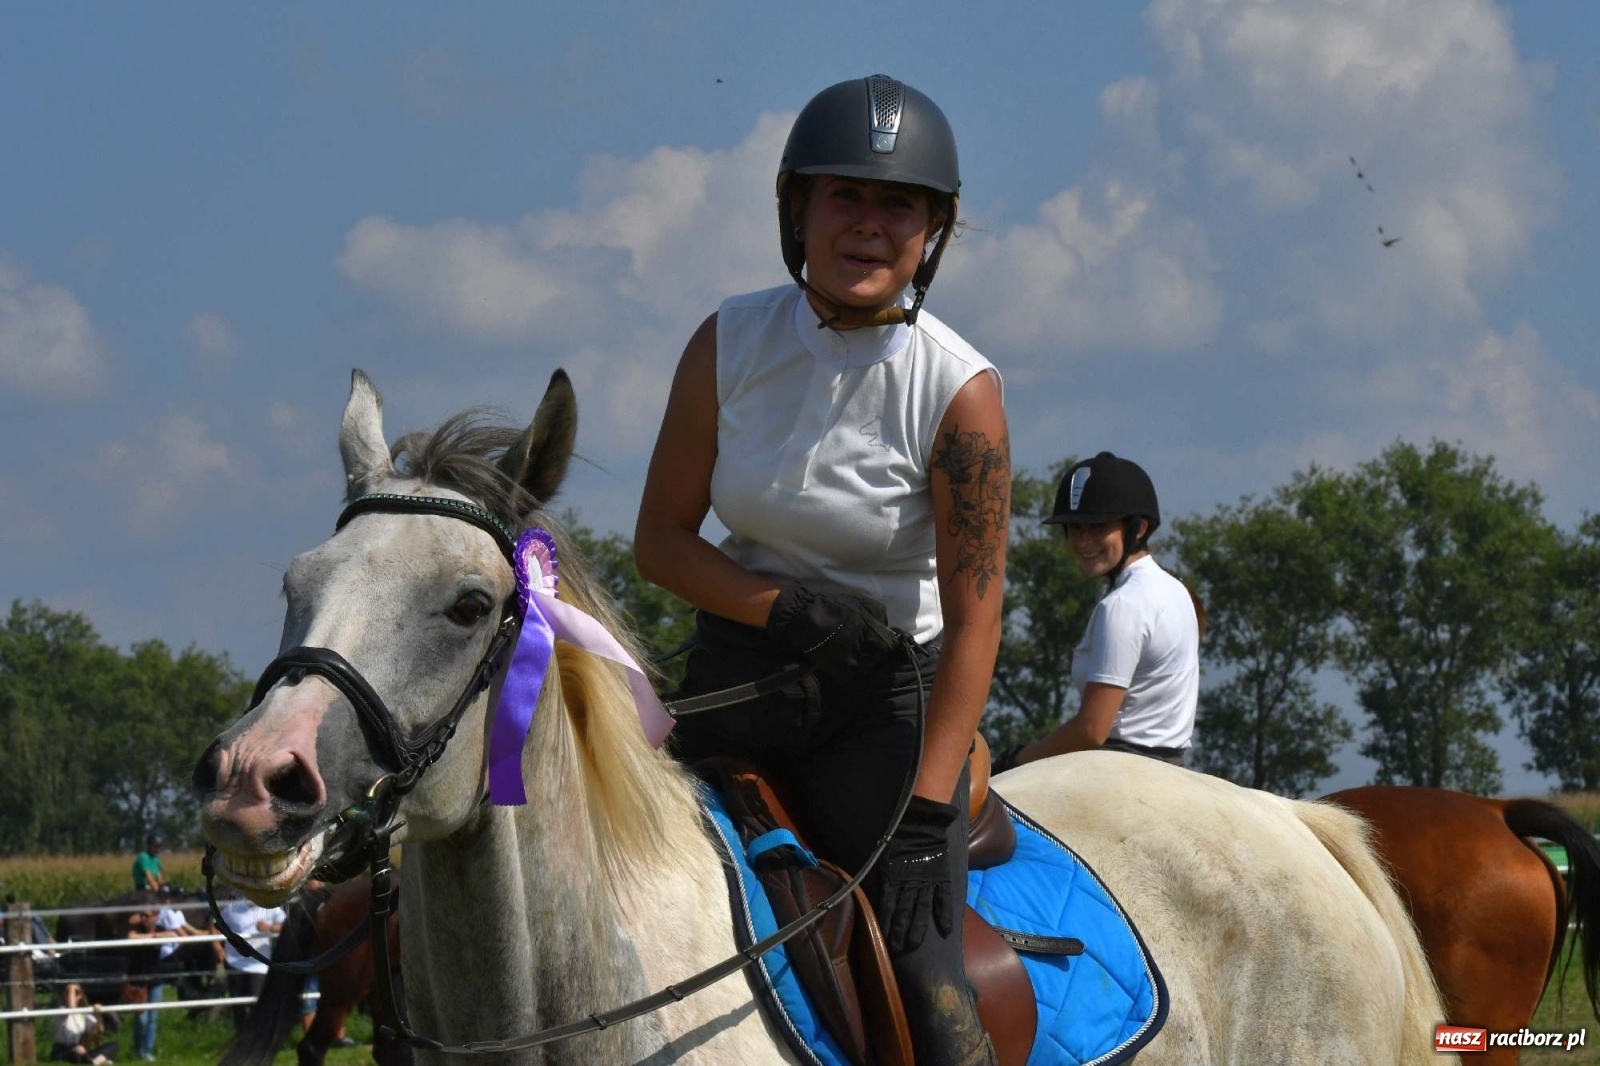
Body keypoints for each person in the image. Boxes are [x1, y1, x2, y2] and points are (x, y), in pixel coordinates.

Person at [635, 74, 1007, 1066]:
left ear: (934, 229)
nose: (868, 225)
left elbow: (976, 623)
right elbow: (661, 540)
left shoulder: (959, 388)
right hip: (735, 679)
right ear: (796, 207)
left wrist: (931, 810)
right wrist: (782, 607)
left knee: (926, 982)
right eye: (844, 195)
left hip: (885, 709)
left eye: (898, 204)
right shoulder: (728, 340)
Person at [1001, 452, 1200, 770]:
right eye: (1075, 529)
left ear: (1138, 528)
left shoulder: (1122, 605)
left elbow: (1091, 730)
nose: (1083, 541)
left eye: (1098, 527)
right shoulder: (1175, 591)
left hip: (1119, 770)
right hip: (1172, 768)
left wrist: (1016, 758)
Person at [126, 901, 204, 1060]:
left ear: (155, 917)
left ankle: (146, 1051)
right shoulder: (136, 929)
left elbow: (174, 935)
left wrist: (150, 937)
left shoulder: (161, 929)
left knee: (152, 1016)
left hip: (156, 976)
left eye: (147, 915)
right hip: (139, 977)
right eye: (142, 915)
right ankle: (137, 1048)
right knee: (141, 1017)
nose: (144, 918)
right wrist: (151, 936)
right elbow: (130, 937)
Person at [218, 897, 286, 1029]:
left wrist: (270, 927)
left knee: (257, 1000)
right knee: (238, 1003)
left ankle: (259, 1032)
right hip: (234, 962)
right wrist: (217, 947)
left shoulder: (271, 907)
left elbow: (287, 926)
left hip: (259, 964)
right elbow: (216, 924)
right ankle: (240, 1035)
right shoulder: (233, 907)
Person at [52, 983, 116, 1064]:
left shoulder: (83, 1013)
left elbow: (100, 1030)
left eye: (76, 993)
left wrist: (98, 1014)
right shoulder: (62, 1010)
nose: (72, 995)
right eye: (69, 993)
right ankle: (99, 1061)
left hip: (77, 1047)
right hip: (62, 1049)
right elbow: (71, 1008)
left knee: (113, 1045)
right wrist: (72, 988)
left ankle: (94, 1062)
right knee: (80, 1050)